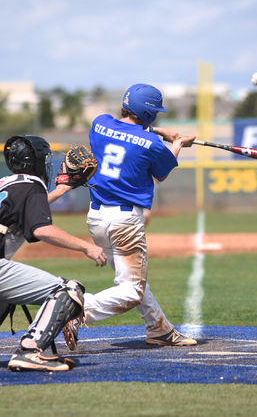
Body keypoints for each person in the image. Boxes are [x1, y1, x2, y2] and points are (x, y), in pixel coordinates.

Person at [0, 135, 107, 372]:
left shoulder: (4, 183)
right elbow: (41, 228)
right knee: (67, 291)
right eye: (45, 159)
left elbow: (31, 209)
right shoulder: (32, 186)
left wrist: (61, 190)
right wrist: (87, 246)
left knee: (9, 290)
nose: (47, 164)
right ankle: (31, 351)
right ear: (36, 162)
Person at [62, 83, 197, 351]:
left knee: (131, 280)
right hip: (125, 223)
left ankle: (160, 329)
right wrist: (178, 143)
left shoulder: (100, 124)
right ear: (149, 115)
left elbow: (125, 132)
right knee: (132, 290)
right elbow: (161, 173)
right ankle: (76, 309)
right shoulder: (151, 143)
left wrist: (158, 133)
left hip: (96, 219)